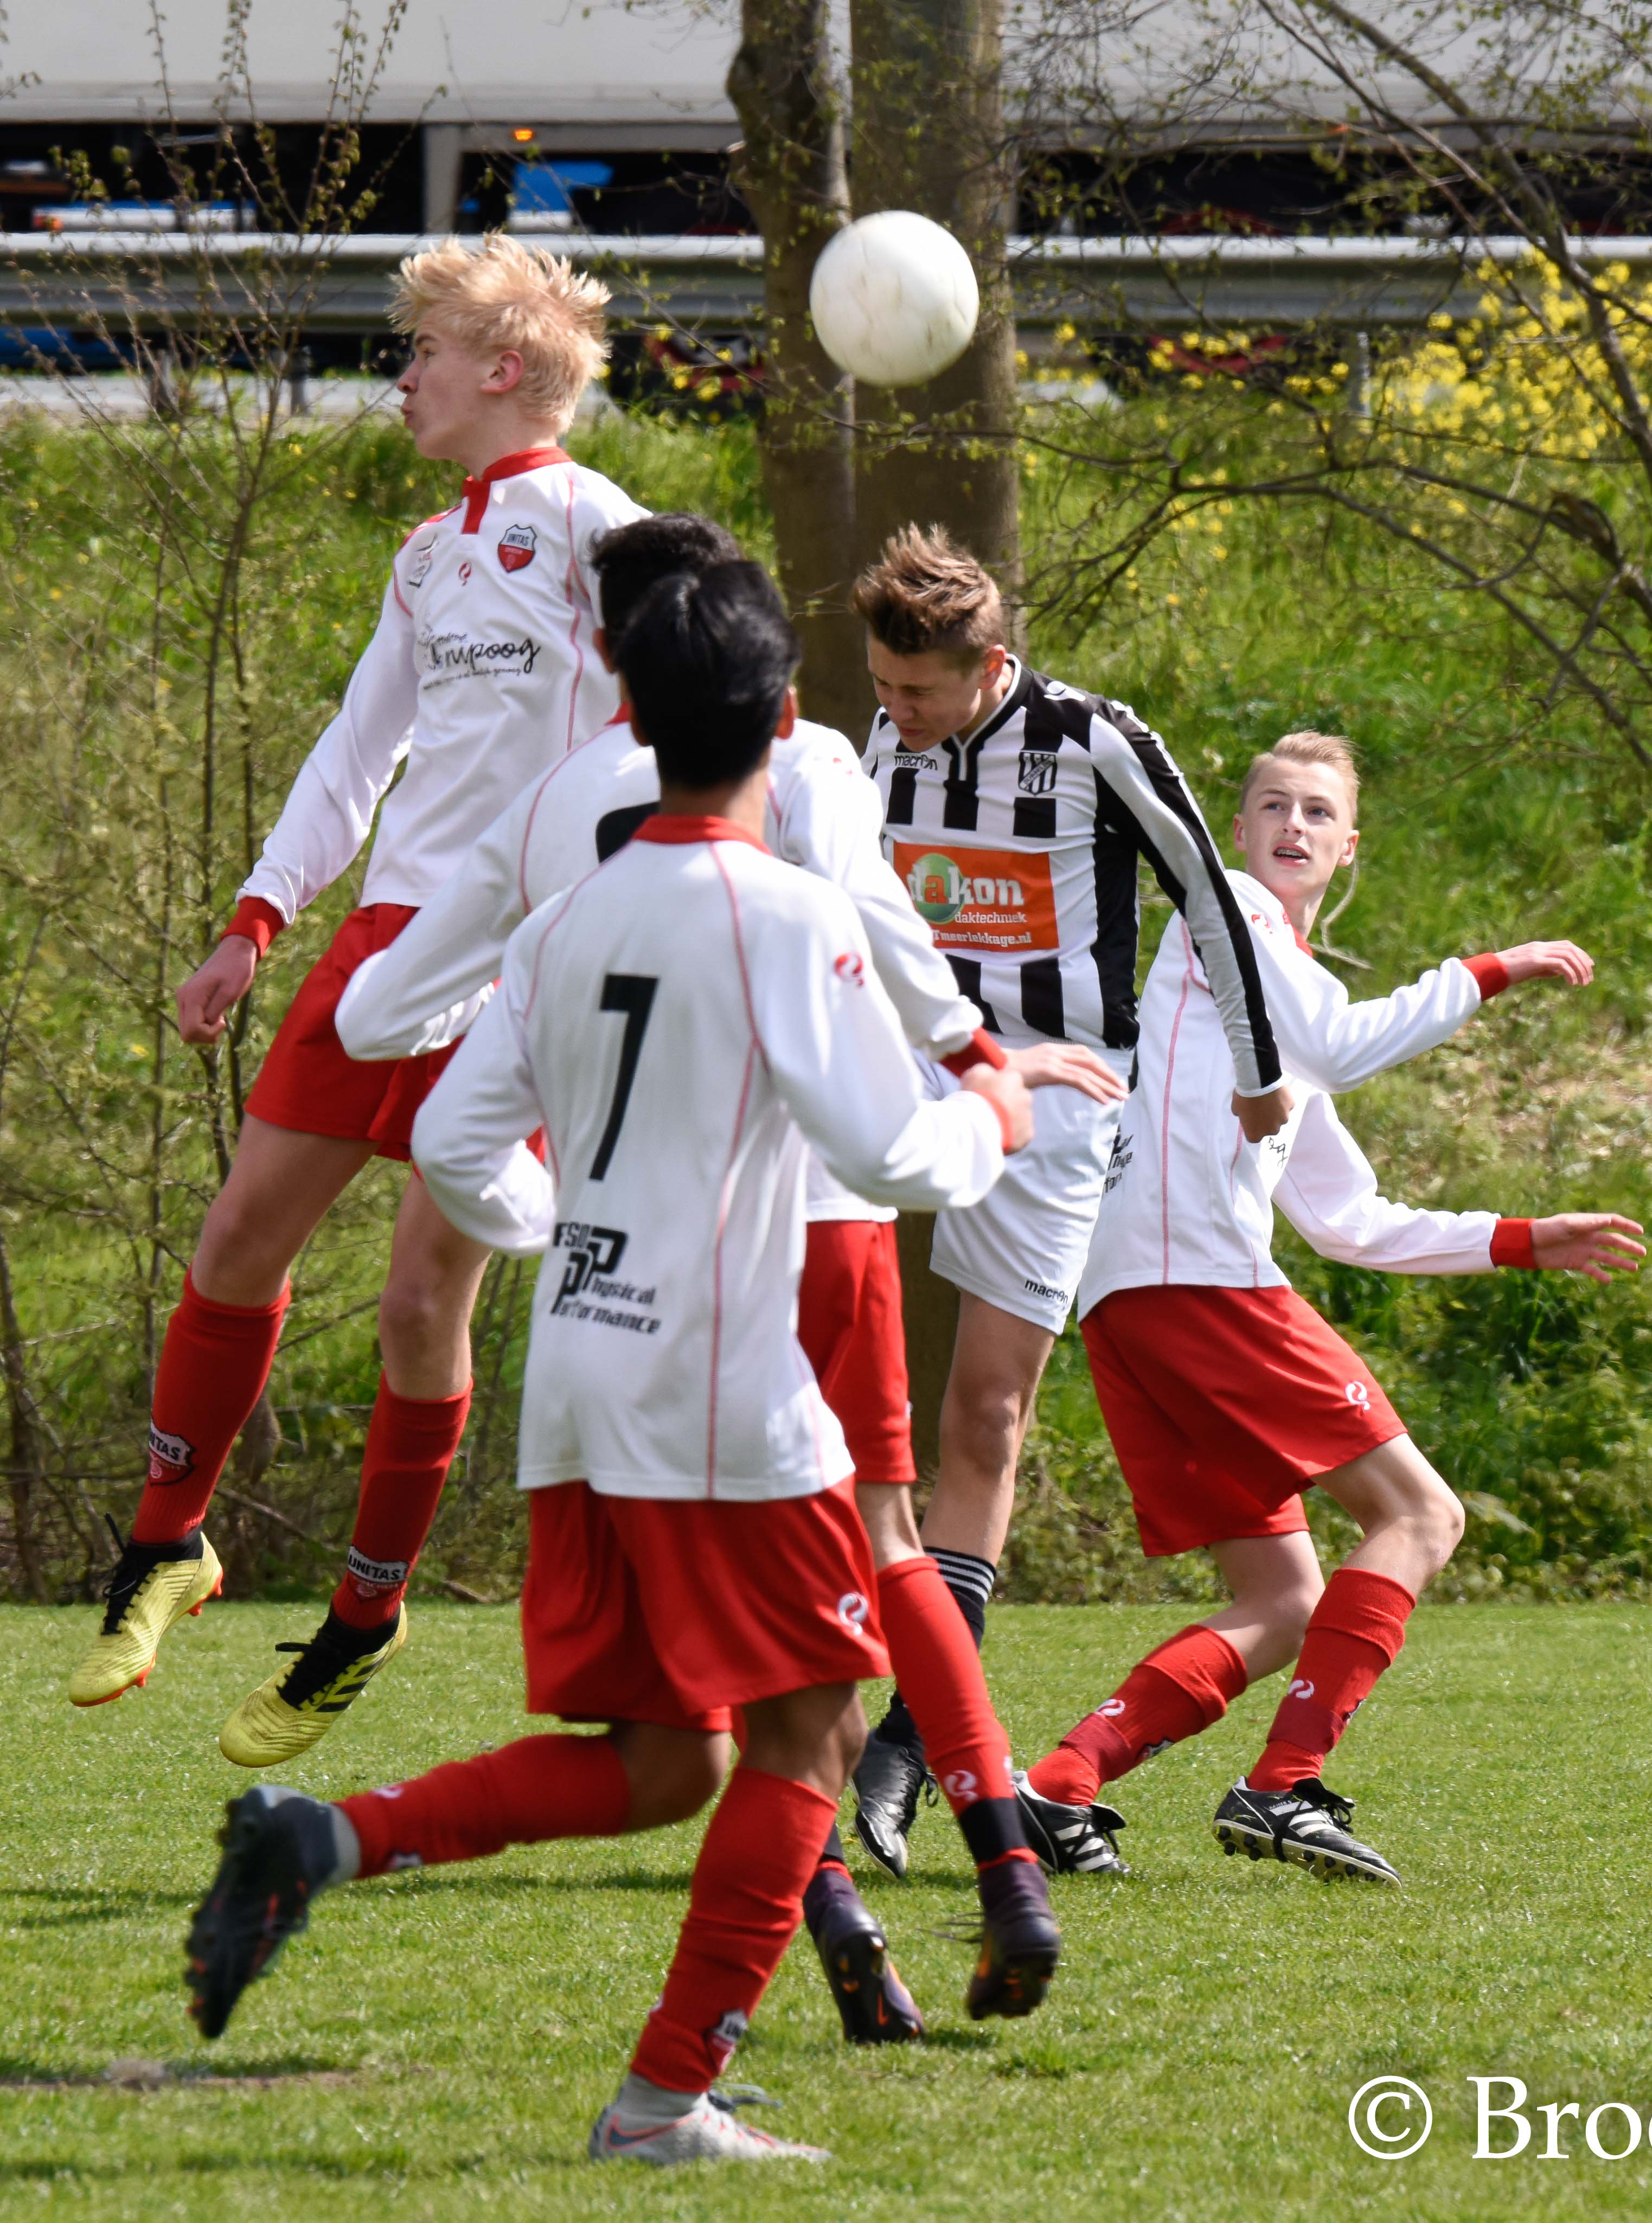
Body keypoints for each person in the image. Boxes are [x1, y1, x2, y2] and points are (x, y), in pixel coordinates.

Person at [182, 561, 1041, 2166]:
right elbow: (894, 1153)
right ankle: (658, 2101)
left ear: (631, 718)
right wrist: (995, 1111)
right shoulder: (790, 912)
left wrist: (569, 1221)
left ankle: (322, 1838)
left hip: (577, 1381)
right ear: (783, 726)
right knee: (806, 1736)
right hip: (722, 1391)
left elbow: (455, 1137)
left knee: (666, 1761)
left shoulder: (561, 919)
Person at [333, 510, 1124, 2044]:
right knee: (882, 1552)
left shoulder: (555, 805)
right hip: (817, 1212)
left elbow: (379, 1022)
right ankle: (1000, 1857)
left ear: (609, 660)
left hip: (623, 1275)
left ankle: (824, 1906)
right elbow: (877, 933)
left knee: (706, 1698)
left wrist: (529, 1171)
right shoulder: (807, 763)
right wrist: (979, 1061)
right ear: (763, 679)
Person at [66, 235, 647, 1766]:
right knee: (237, 1237)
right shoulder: (427, 554)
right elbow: (354, 753)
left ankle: (365, 1608)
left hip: (521, 961)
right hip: (385, 941)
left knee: (416, 1301)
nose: (401, 380)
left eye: (422, 354)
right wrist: (254, 918)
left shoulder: (602, 531)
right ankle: (166, 1541)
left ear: (502, 369)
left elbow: (692, 723)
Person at [1026, 731, 1644, 1881]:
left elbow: (1345, 1217)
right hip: (1196, 1279)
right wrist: (1491, 968)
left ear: (1348, 846)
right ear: (1237, 828)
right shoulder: (1234, 915)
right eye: (1272, 804)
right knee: (1423, 1515)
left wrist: (1516, 1240)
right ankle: (1281, 1786)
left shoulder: (1272, 998)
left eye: (1316, 811)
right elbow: (1345, 1045)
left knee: (1280, 1598)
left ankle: (1059, 1783)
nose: (1292, 825)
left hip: (1132, 1299)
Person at [844, 525, 1289, 1876]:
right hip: (893, 1078)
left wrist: (1258, 1073)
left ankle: (904, 1740)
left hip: (1057, 1100)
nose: (897, 711)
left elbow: (1206, 894)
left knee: (983, 1411)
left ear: (990, 667)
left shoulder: (1094, 740)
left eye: (919, 691)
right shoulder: (874, 742)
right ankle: (821, 1705)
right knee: (818, 1391)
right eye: (881, 687)